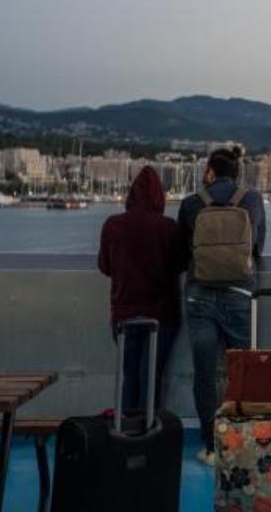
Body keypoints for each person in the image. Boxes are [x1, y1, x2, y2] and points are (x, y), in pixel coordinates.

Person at [178, 146, 266, 466]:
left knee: (204, 374)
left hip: (198, 296)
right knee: (242, 371)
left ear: (209, 172)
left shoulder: (191, 203)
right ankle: (240, 442)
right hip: (238, 295)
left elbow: (179, 254)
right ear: (238, 171)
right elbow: (257, 247)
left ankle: (211, 446)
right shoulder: (252, 200)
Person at [97, 165, 184, 412]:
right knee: (151, 378)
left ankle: (125, 431)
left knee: (130, 376)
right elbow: (179, 265)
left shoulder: (112, 225)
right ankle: (148, 435)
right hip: (162, 315)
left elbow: (104, 266)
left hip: (124, 314)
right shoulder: (168, 227)